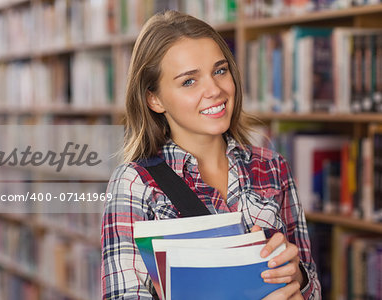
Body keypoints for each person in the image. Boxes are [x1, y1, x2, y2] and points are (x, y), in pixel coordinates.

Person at [101, 10, 321, 300]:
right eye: (189, 81)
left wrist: (299, 277)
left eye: (220, 70)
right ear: (154, 99)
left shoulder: (271, 166)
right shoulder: (134, 184)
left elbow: (313, 288)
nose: (215, 90)